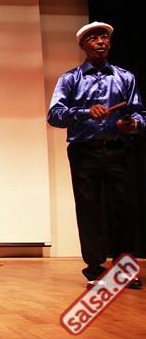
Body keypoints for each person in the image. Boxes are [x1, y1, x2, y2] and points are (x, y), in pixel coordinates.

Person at [47, 21, 144, 290]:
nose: (100, 41)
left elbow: (139, 113)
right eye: (93, 38)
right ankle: (95, 270)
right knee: (89, 210)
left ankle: (124, 269)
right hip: (84, 151)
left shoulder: (125, 77)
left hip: (119, 150)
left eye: (104, 37)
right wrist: (85, 113)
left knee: (125, 209)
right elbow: (54, 115)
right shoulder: (70, 79)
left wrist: (132, 124)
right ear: (82, 45)